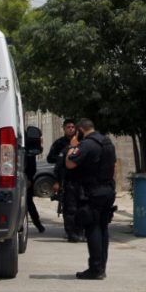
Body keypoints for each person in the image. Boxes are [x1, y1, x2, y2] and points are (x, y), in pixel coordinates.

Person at [66, 118, 117, 280]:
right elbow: (114, 166)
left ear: (81, 130)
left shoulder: (87, 145)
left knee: (93, 227)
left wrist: (72, 147)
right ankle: (101, 267)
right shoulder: (107, 143)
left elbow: (69, 164)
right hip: (108, 190)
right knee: (103, 228)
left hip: (93, 192)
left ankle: (95, 269)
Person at [46, 118, 84, 242]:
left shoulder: (82, 142)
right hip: (65, 178)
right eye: (68, 127)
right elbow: (50, 158)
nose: (71, 129)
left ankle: (79, 231)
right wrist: (63, 157)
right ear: (64, 128)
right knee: (69, 208)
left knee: (81, 207)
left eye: (73, 127)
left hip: (81, 179)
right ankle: (70, 233)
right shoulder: (60, 143)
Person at [26, 142, 45, 233]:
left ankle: (38, 224)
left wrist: (29, 178)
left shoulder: (29, 146)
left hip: (26, 177)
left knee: (29, 202)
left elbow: (32, 165)